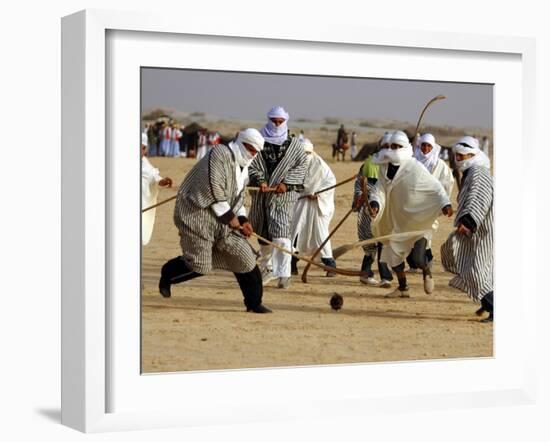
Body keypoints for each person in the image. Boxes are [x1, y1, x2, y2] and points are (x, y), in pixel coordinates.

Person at [158, 129, 272, 314]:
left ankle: (253, 303)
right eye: (251, 150)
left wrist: (243, 219)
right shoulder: (219, 153)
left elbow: (238, 197)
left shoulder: (244, 166)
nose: (253, 155)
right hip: (198, 215)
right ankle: (167, 275)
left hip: (225, 220)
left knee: (246, 259)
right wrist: (231, 218)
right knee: (200, 265)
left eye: (256, 152)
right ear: (243, 143)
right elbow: (213, 189)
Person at [368, 130, 453, 298]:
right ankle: (402, 288)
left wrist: (445, 203)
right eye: (391, 146)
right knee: (394, 259)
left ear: (405, 147)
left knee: (418, 259)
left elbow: (435, 187)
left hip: (416, 221)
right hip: (395, 221)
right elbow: (378, 189)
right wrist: (375, 204)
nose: (393, 149)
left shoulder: (415, 166)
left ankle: (426, 271)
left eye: (398, 146)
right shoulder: (384, 168)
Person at [249, 105, 309, 289]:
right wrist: (260, 180)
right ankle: (266, 269)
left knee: (282, 236)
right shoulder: (258, 141)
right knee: (263, 236)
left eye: (280, 122)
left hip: (285, 196)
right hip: (261, 196)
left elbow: (301, 166)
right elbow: (251, 163)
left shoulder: (294, 145)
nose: (277, 124)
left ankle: (284, 274)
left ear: (286, 121)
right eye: (274, 121)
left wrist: (287, 183)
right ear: (269, 120)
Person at [441, 136, 493, 322]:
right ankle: (489, 305)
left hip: (482, 228)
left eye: (462, 156)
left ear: (472, 154)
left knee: (476, 271)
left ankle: (495, 308)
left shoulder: (478, 173)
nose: (458, 159)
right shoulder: (471, 172)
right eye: (457, 156)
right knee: (467, 263)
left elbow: (479, 199)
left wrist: (469, 222)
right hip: (476, 229)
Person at [406, 133, 454, 273]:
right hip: (412, 205)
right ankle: (413, 265)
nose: (425, 148)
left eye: (428, 146)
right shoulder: (413, 161)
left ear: (433, 147)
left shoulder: (440, 165)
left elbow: (448, 184)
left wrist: (441, 203)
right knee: (408, 236)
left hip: (430, 207)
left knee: (425, 235)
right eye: (423, 145)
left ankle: (426, 261)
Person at [290, 139, 337, 276]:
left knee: (320, 234)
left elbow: (331, 182)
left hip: (318, 206)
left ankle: (330, 265)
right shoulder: (294, 164)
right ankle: (292, 265)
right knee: (296, 233)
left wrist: (319, 194)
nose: (305, 156)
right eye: (302, 153)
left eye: (307, 153)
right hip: (301, 203)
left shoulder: (320, 165)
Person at [352, 132, 393, 287]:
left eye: (391, 147)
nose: (388, 149)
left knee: (385, 242)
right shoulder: (369, 164)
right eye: (385, 146)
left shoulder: (399, 165)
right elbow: (360, 183)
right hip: (369, 209)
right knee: (371, 242)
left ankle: (379, 275)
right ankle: (373, 275)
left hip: (390, 208)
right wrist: (360, 196)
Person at [141, 133, 172, 245]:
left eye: (142, 148)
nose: (141, 150)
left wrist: (163, 181)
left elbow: (154, 177)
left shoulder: (145, 164)